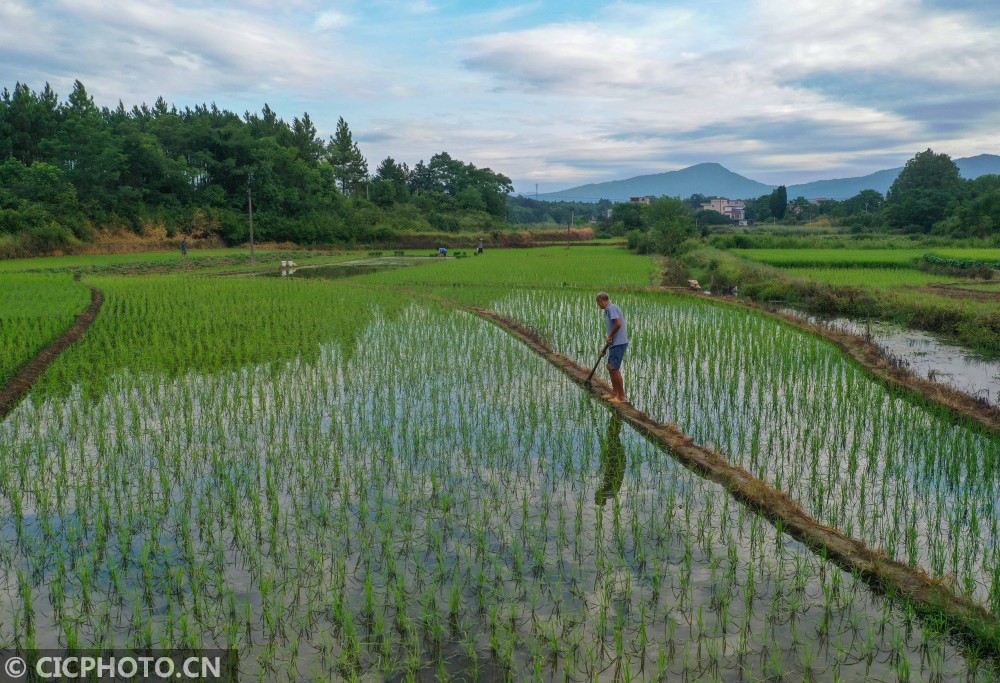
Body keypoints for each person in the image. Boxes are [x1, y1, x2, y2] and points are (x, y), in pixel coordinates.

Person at [595, 292, 627, 403]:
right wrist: (605, 348)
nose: (598, 306)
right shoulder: (612, 308)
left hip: (618, 343)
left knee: (614, 368)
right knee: (610, 367)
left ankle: (621, 397)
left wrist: (610, 336)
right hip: (615, 343)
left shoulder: (610, 309)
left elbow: (618, 323)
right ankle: (614, 393)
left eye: (598, 303)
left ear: (601, 301)